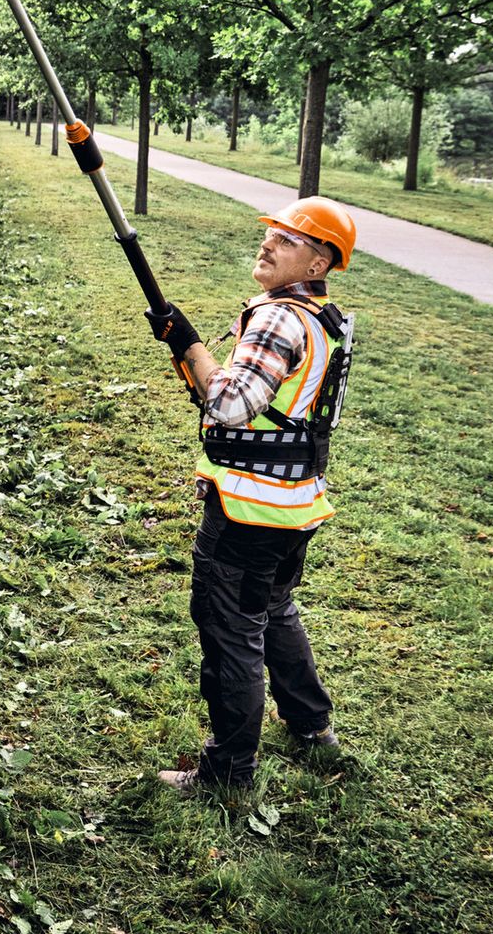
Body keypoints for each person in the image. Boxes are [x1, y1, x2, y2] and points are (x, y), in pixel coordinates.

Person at [143, 197, 358, 792]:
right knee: (272, 609)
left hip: (247, 508)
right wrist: (191, 348)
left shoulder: (276, 319)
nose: (268, 244)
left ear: (319, 264)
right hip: (294, 503)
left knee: (230, 628)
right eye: (272, 234)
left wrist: (189, 345)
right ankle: (311, 724)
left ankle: (228, 773)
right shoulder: (325, 318)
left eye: (288, 241)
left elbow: (229, 405)